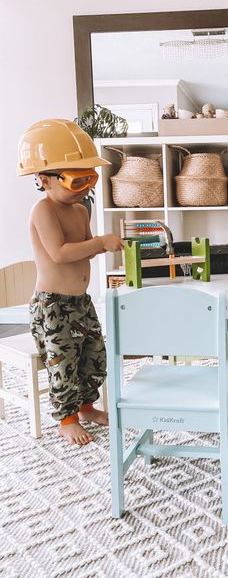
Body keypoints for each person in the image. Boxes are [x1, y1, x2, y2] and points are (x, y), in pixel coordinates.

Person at [17, 119, 124, 446]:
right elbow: (60, 253)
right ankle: (66, 419)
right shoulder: (43, 210)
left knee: (92, 356)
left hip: (81, 302)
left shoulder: (80, 211)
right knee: (63, 363)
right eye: (77, 181)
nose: (86, 189)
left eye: (90, 179)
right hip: (54, 306)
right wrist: (101, 242)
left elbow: (86, 249)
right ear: (44, 180)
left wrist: (102, 245)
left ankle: (86, 407)